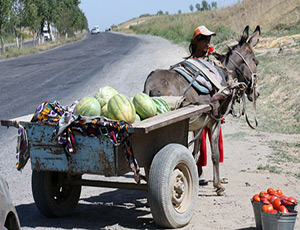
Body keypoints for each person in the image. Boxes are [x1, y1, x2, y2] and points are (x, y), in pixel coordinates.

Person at [187, 25, 225, 186]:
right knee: (199, 140)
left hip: (214, 108)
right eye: (204, 40)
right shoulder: (191, 64)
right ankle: (198, 170)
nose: (208, 43)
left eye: (209, 40)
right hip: (201, 108)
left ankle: (217, 173)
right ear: (196, 42)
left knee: (217, 139)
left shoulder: (212, 60)